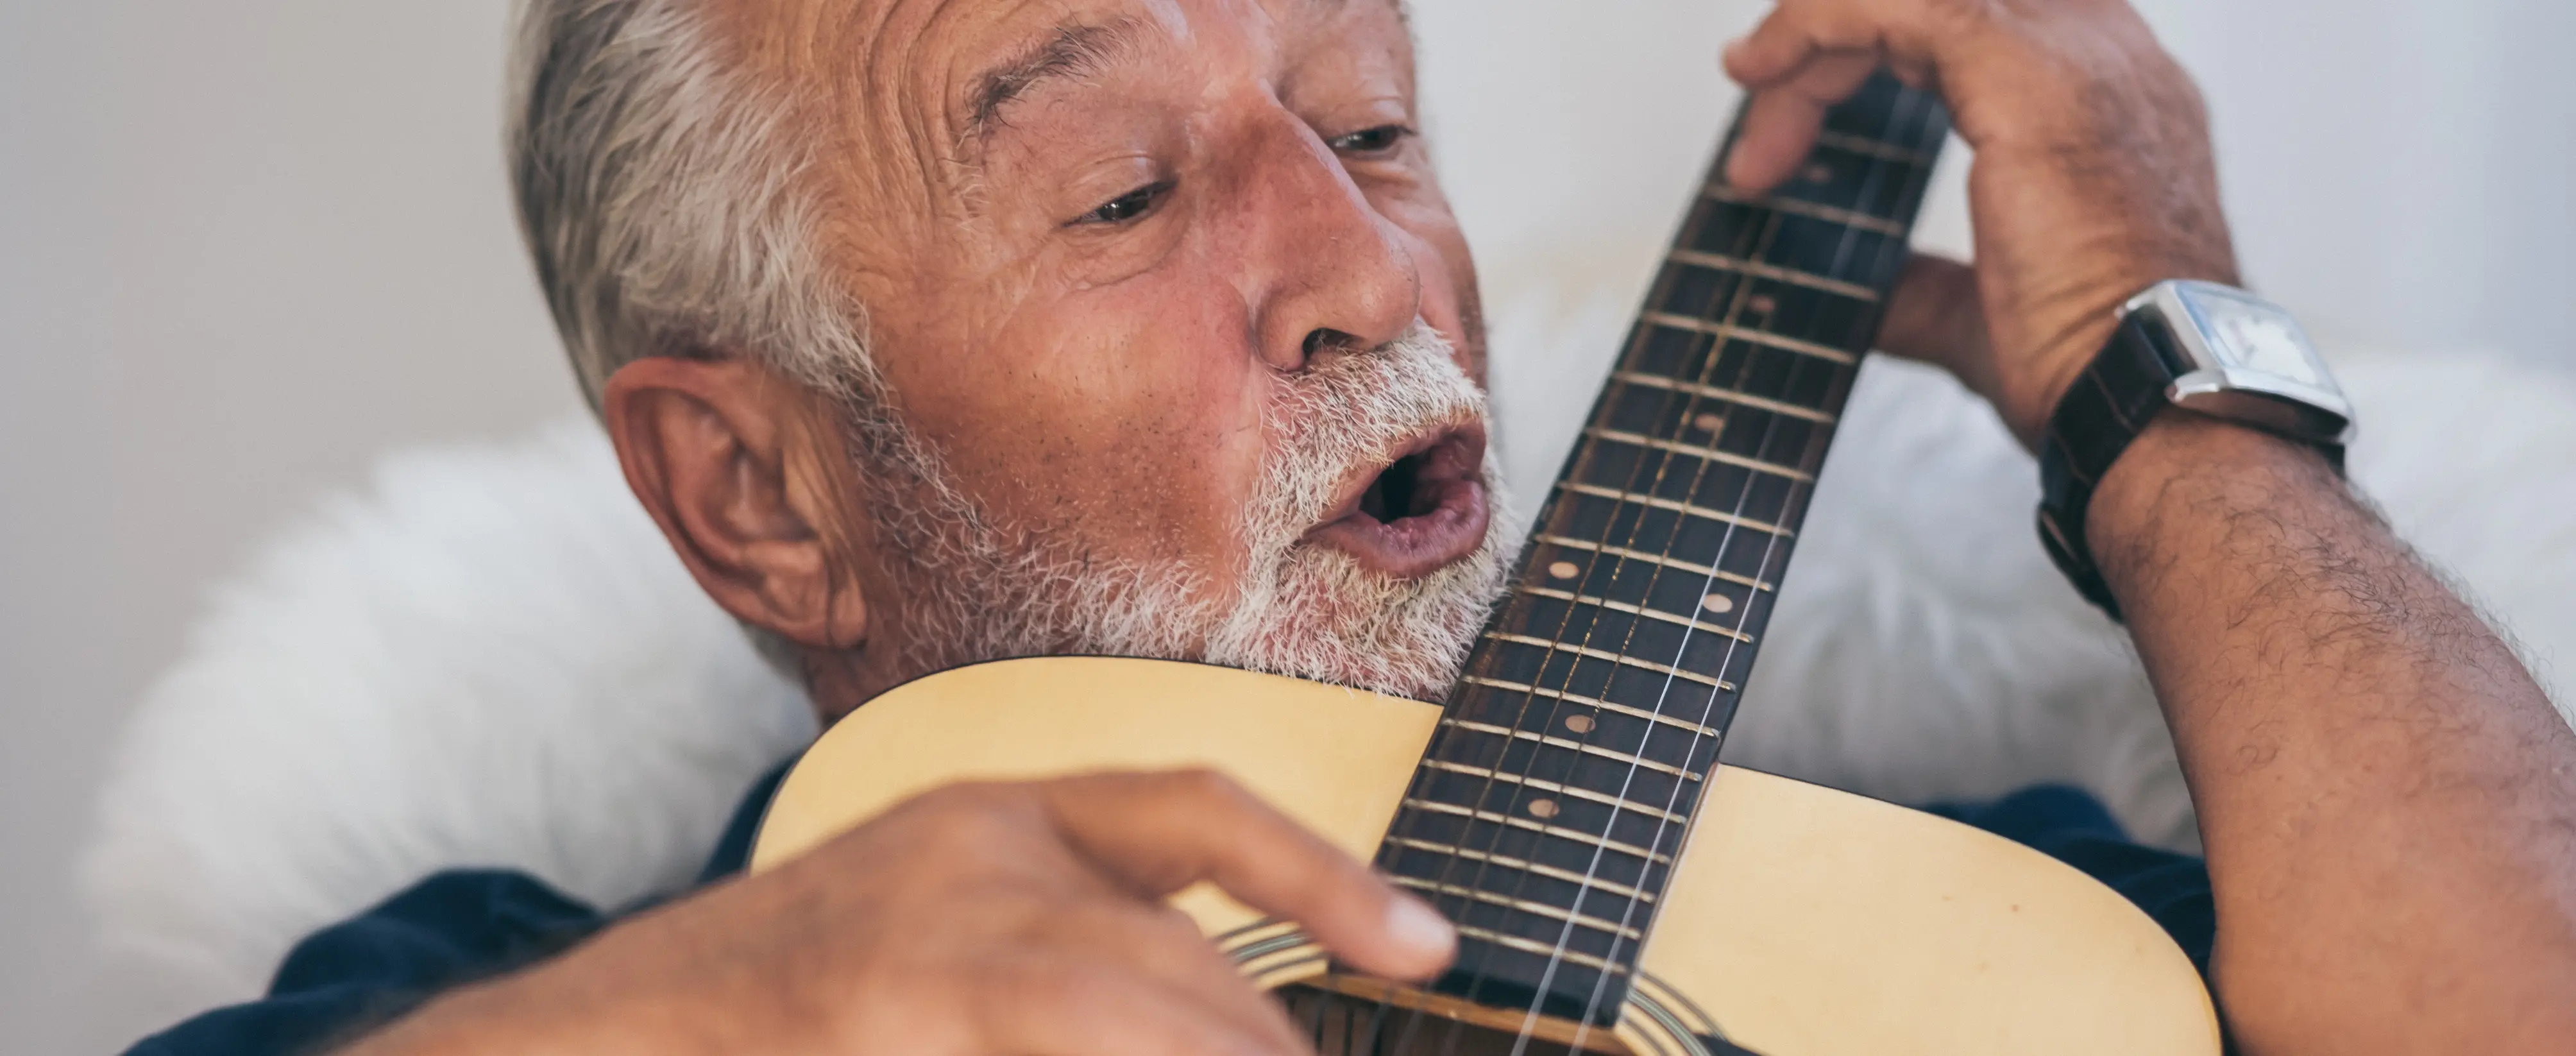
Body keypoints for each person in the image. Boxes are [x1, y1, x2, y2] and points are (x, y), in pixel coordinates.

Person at [130, 0, 2576, 1053]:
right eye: (1119, 189)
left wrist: (2172, 376)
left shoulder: (1979, 938)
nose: (1363, 272)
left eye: (1375, 124)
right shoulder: (536, 983)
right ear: (758, 493)